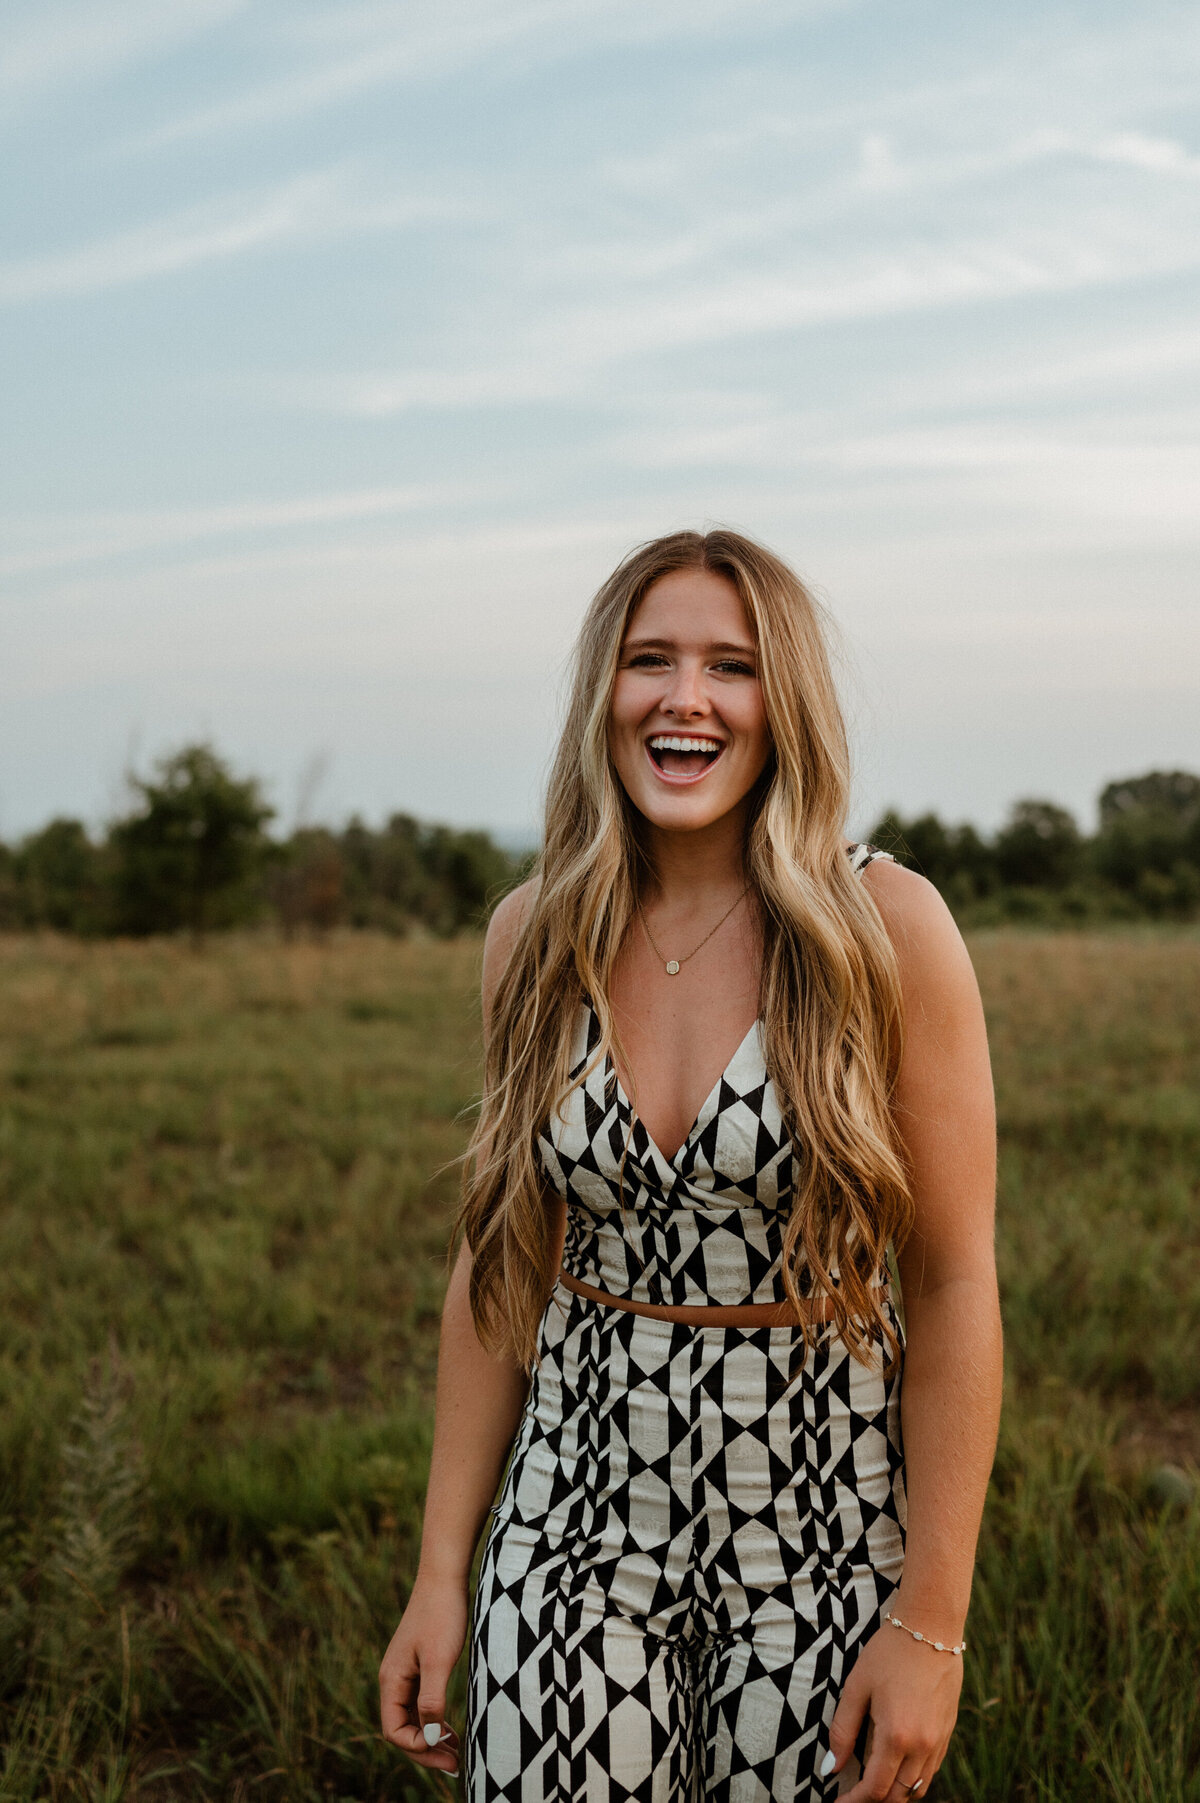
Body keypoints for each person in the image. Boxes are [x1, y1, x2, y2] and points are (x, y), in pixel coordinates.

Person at [379, 529, 1002, 1801]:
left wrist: (930, 1622)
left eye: (733, 666)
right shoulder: (533, 935)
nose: (687, 698)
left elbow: (951, 1284)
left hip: (822, 1538)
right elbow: (498, 1269)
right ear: (605, 695)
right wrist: (444, 1572)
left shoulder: (884, 931)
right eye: (650, 660)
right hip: (573, 1530)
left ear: (786, 707)